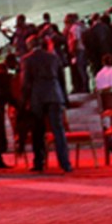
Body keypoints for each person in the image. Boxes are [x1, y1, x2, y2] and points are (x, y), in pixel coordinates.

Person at [20, 36, 70, 173]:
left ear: (29, 45)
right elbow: (61, 78)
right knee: (58, 130)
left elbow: (25, 82)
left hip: (38, 96)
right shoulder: (53, 57)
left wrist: (23, 101)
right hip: (55, 94)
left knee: (38, 131)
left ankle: (39, 162)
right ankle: (65, 163)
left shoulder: (27, 59)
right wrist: (64, 97)